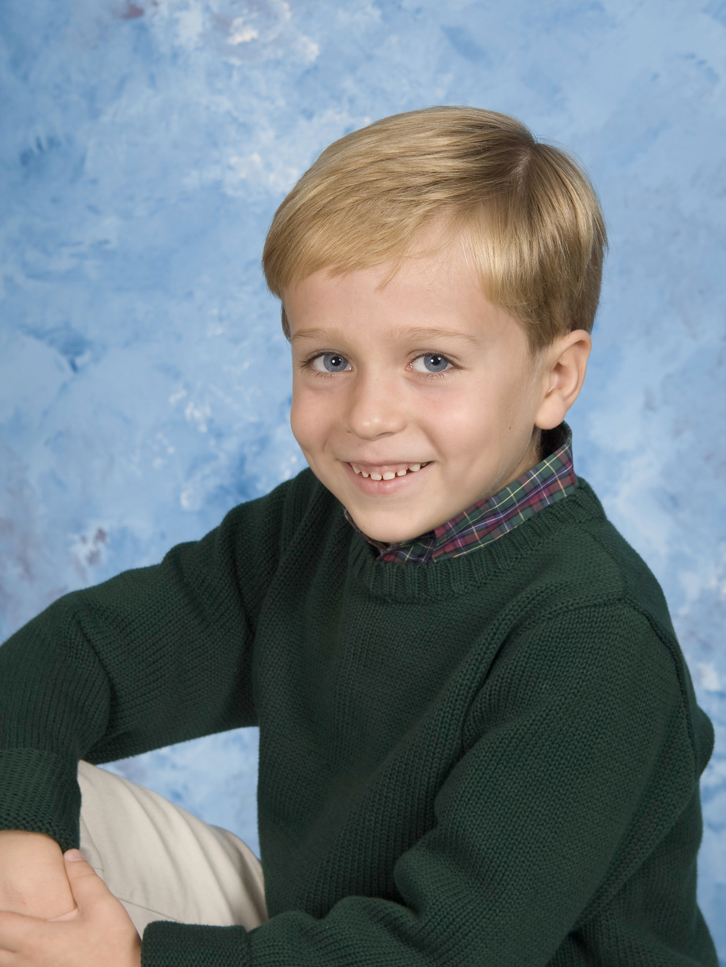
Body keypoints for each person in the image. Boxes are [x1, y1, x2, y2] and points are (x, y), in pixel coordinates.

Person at [0, 106, 718, 967]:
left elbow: (446, 951)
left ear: (554, 378)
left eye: (433, 361)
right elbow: (75, 656)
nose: (369, 416)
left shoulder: (594, 638)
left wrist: (130, 962)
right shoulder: (310, 528)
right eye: (330, 360)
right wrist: (27, 866)